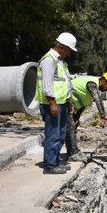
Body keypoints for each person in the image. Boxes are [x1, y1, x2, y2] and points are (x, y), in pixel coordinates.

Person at [35, 32, 77, 174]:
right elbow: (47, 85)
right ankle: (50, 166)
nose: (70, 53)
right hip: (51, 104)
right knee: (53, 134)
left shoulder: (60, 61)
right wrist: (52, 103)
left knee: (60, 134)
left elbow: (66, 83)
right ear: (62, 47)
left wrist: (69, 102)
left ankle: (56, 161)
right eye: (69, 49)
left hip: (61, 103)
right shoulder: (49, 60)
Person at [65, 72, 107, 162]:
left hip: (70, 105)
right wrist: (103, 115)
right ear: (104, 82)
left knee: (72, 127)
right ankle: (73, 154)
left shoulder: (92, 86)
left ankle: (72, 151)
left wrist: (77, 117)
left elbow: (82, 102)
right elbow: (98, 100)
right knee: (70, 128)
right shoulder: (92, 84)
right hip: (64, 102)